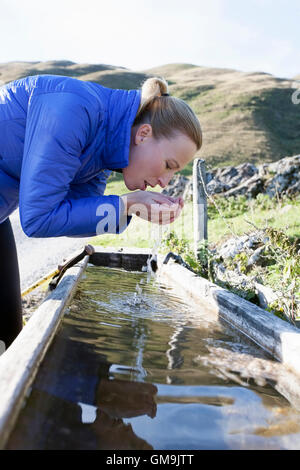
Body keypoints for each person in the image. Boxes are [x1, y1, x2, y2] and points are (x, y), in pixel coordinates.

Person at [0, 74, 202, 349]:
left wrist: (132, 207)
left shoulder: (104, 155)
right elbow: (39, 217)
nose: (164, 182)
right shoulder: (73, 111)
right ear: (143, 134)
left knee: (9, 336)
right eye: (169, 165)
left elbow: (73, 216)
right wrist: (126, 204)